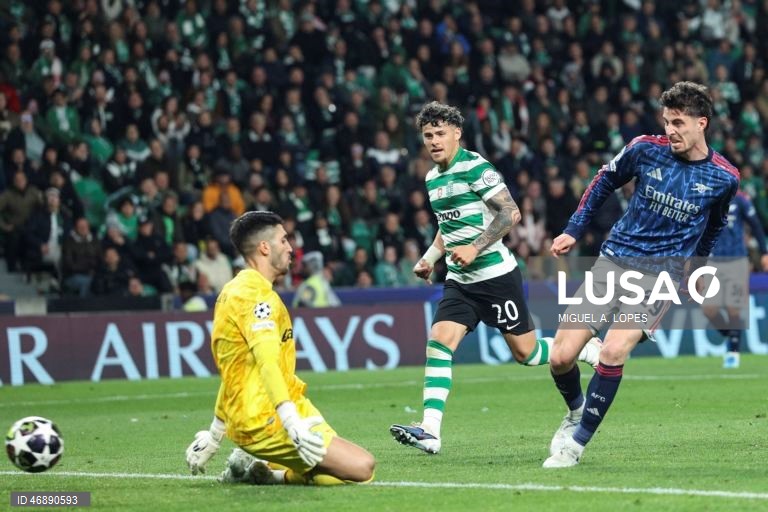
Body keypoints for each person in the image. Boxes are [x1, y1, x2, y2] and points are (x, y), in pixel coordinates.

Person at [543, 82, 740, 468]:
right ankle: (576, 412)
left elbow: (714, 226)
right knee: (560, 357)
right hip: (614, 261)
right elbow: (603, 182)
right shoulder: (644, 149)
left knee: (614, 350)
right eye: (667, 121)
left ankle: (575, 446)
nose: (671, 130)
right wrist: (573, 228)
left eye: (679, 122)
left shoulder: (724, 178)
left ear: (702, 123)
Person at [389, 102, 601, 455]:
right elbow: (446, 227)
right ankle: (430, 429)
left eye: (441, 133)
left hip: (496, 277)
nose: (434, 141)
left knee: (527, 353)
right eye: (428, 136)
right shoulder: (432, 178)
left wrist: (474, 246)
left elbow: (510, 212)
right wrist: (430, 258)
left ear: (457, 133)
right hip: (460, 280)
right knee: (439, 341)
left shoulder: (475, 168)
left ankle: (583, 347)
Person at [185, 211, 374, 486]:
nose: (290, 247)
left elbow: (235, 370)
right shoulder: (257, 297)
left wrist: (215, 434)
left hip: (289, 404)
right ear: (264, 247)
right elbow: (266, 363)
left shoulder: (234, 290)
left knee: (346, 471)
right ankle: (267, 474)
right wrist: (290, 421)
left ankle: (256, 467)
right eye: (284, 240)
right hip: (264, 420)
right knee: (361, 470)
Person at [702, 192, 768, 369]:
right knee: (708, 308)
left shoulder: (741, 201)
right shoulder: (708, 198)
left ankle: (732, 353)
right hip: (713, 261)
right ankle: (730, 332)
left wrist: (764, 252)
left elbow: (756, 225)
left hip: (736, 259)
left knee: (734, 308)